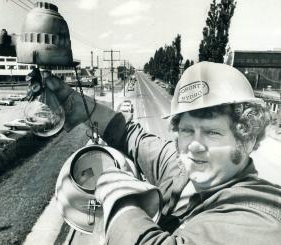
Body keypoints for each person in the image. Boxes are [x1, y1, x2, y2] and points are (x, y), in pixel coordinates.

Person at [31, 62, 281, 244]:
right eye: (186, 130)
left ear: (247, 138)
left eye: (212, 133)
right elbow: (129, 135)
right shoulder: (183, 169)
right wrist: (77, 105)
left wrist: (114, 188)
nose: (194, 145)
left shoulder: (261, 216)